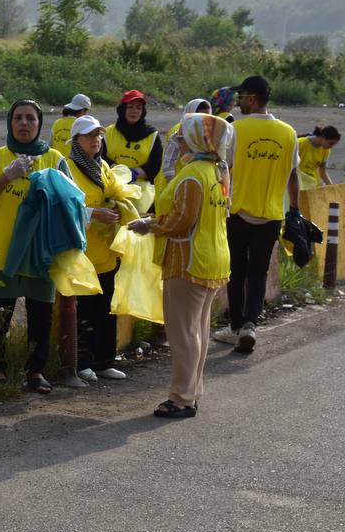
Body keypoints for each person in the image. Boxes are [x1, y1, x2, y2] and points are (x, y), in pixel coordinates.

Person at [128, 113, 234, 418]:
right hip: (211, 257)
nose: (180, 140)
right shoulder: (218, 170)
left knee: (184, 334)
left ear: (199, 139)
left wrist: (149, 224)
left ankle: (181, 399)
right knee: (196, 330)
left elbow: (181, 221)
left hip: (188, 259)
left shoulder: (193, 176)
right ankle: (192, 391)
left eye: (185, 135)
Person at [0, 99, 71, 394]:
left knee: (40, 314)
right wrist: (7, 176)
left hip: (40, 252)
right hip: (1, 250)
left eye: (31, 118)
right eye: (19, 118)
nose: (24, 123)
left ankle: (36, 371)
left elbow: (71, 203)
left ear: (40, 123)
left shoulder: (55, 159)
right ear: (10, 123)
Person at [214, 75, 298, 353]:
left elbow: (223, 170)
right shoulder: (289, 132)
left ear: (251, 98)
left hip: (238, 212)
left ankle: (236, 326)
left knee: (236, 272)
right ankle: (250, 324)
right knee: (258, 273)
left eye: (241, 97)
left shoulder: (236, 129)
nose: (238, 102)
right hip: (271, 216)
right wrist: (295, 209)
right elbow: (293, 175)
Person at [67, 116, 138, 382]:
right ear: (76, 140)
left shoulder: (103, 166)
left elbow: (116, 193)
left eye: (98, 135)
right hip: (82, 254)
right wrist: (93, 213)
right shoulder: (69, 168)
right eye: (89, 135)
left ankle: (104, 360)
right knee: (84, 309)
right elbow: (63, 207)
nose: (95, 140)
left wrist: (122, 207)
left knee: (106, 309)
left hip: (106, 251)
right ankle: (82, 361)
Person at [102, 90, 162, 186]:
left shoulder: (152, 135)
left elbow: (155, 165)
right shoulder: (108, 132)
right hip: (111, 185)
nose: (134, 111)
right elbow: (100, 158)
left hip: (141, 191)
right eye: (130, 107)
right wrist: (120, 172)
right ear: (122, 109)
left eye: (139, 108)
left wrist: (134, 173)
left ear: (143, 112)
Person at [297, 125, 339, 190]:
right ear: (322, 137)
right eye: (330, 143)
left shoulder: (326, 151)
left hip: (312, 184)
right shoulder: (300, 144)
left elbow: (322, 173)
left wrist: (332, 188)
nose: (331, 146)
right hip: (297, 181)